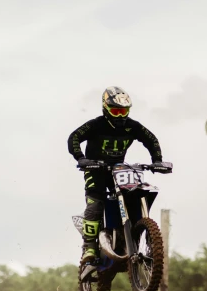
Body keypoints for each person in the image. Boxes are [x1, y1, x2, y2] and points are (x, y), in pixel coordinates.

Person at [67, 87, 166, 265]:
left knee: (133, 194)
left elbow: (151, 139)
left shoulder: (132, 126)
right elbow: (74, 137)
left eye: (124, 111)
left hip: (118, 170)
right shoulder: (96, 125)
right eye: (116, 111)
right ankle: (88, 247)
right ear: (105, 109)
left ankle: (127, 234)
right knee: (96, 204)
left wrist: (157, 160)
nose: (120, 116)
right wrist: (81, 159)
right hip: (95, 169)